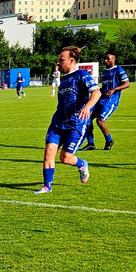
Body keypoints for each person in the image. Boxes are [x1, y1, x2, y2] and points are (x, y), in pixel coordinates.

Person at [35, 46, 100, 194]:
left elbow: (96, 92)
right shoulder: (63, 79)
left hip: (76, 123)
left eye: (61, 60)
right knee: (49, 152)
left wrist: (87, 108)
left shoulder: (81, 75)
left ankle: (82, 164)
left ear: (71, 61)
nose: (58, 62)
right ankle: (47, 186)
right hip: (58, 122)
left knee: (65, 158)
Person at [81, 53, 130, 151]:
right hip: (101, 99)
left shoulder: (119, 69)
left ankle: (109, 141)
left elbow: (127, 84)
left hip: (111, 101)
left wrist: (114, 89)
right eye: (105, 59)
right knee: (87, 118)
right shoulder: (105, 72)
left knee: (100, 120)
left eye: (108, 59)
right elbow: (104, 87)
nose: (105, 61)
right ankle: (91, 143)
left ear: (114, 59)